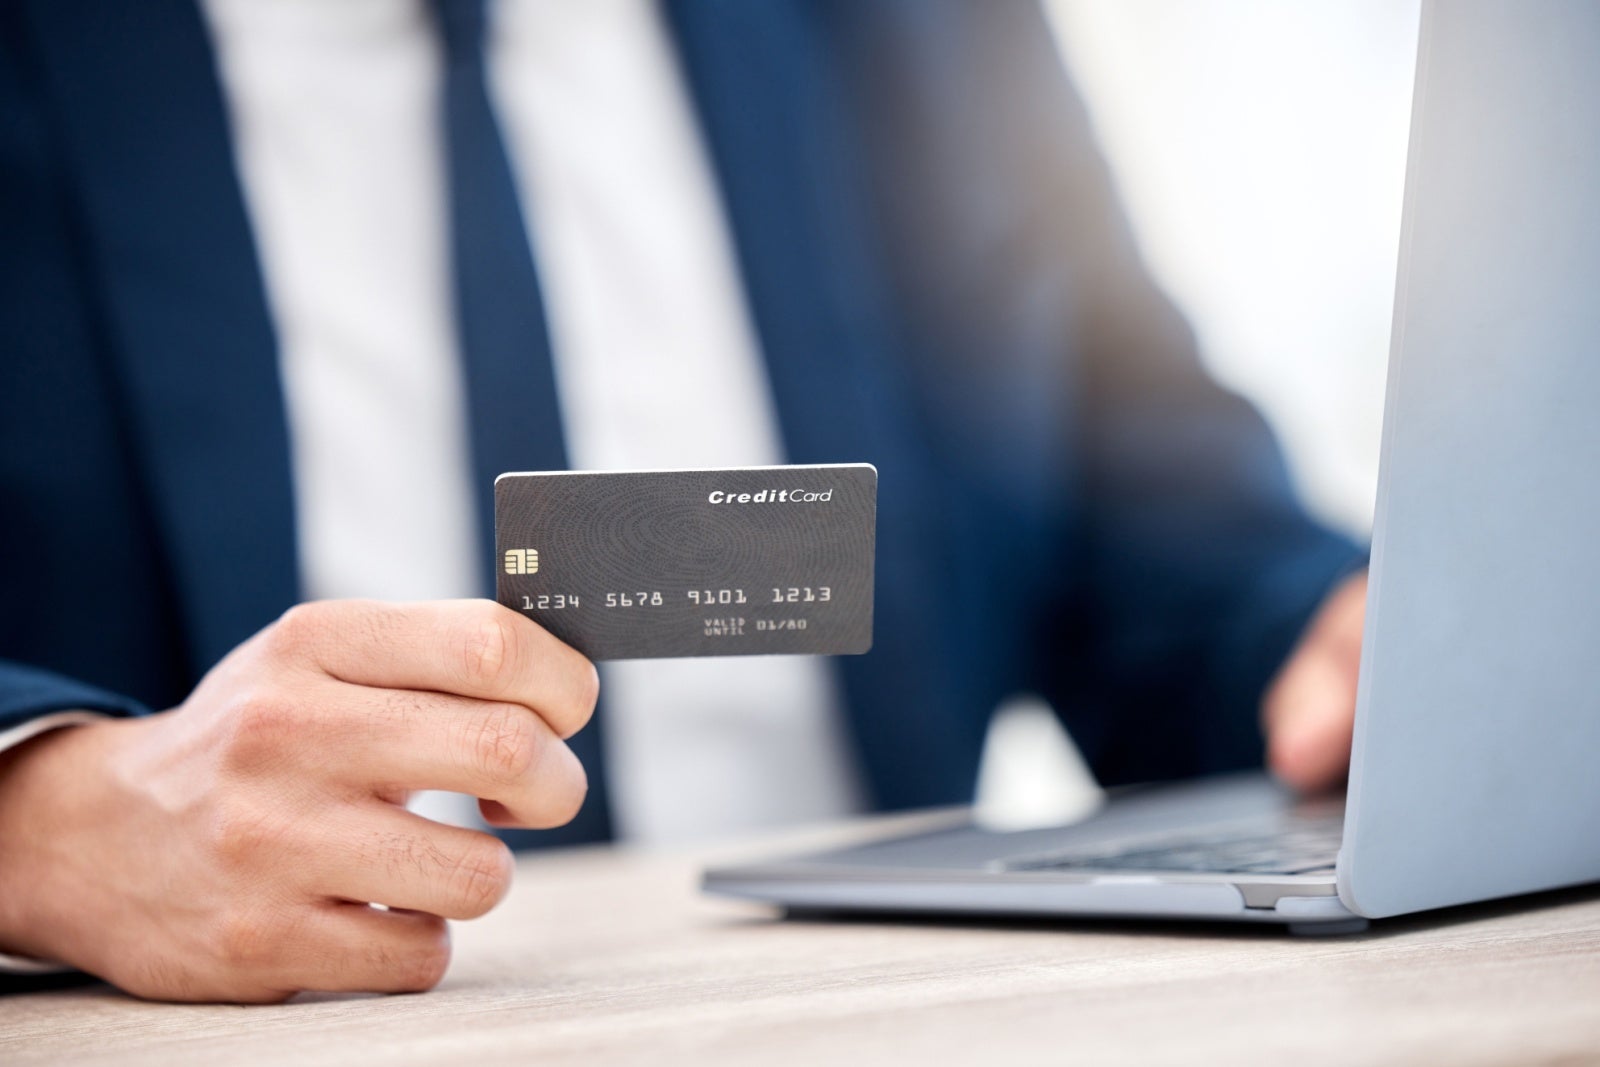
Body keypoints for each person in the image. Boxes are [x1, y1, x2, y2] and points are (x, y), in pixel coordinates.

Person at [0, 0, 1367, 1002]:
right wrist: (40, 819)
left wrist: (1351, 645)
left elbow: (1175, 552)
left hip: (890, 1016)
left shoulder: (920, 34)